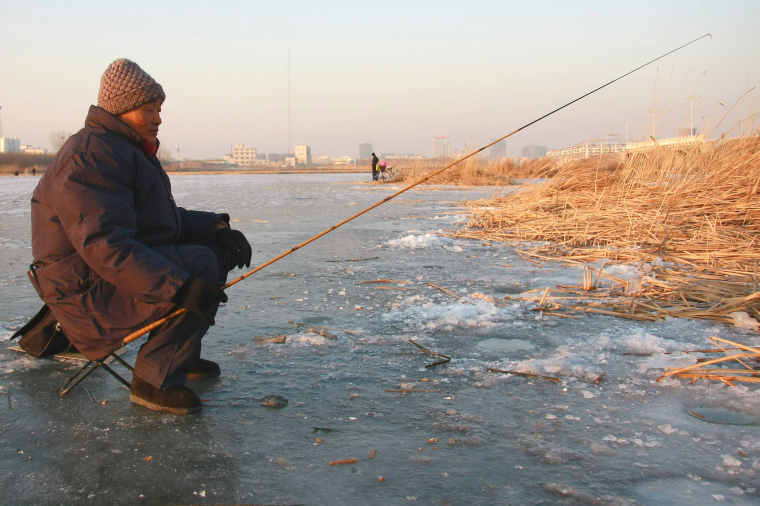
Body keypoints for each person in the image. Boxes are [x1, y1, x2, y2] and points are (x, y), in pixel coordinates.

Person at [29, 58, 252, 415]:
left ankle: (180, 357)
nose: (158, 118)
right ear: (121, 109)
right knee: (198, 265)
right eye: (148, 109)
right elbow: (104, 244)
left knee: (213, 249)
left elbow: (158, 224)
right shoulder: (89, 155)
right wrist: (177, 286)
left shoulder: (125, 149)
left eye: (159, 109)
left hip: (105, 277)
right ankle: (153, 380)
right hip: (86, 292)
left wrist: (217, 227)